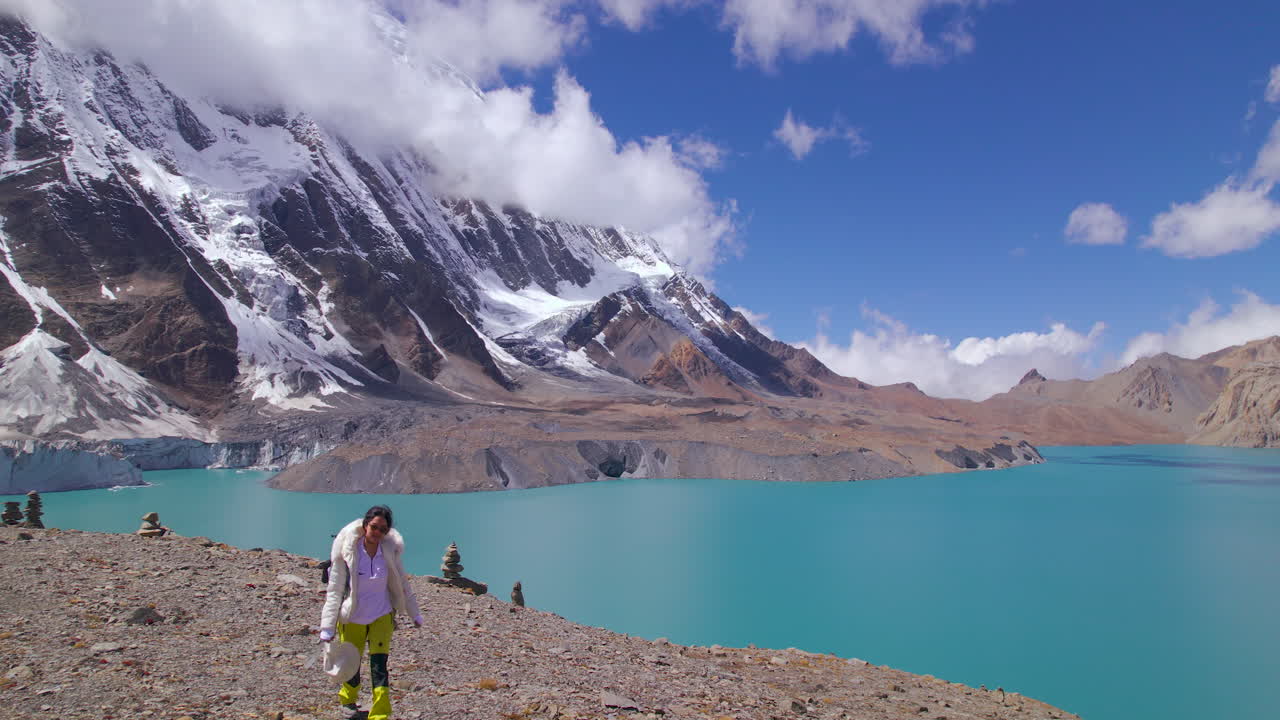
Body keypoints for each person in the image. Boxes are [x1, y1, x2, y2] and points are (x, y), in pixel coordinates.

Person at [320, 505, 423, 720]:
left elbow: (402, 583)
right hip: (353, 617)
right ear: (366, 525)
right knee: (351, 661)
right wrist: (327, 627)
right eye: (374, 527)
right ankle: (348, 699)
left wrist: (414, 613)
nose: (377, 533)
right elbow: (335, 590)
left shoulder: (389, 551)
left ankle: (380, 713)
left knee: (379, 664)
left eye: (383, 530)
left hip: (382, 615)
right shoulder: (347, 551)